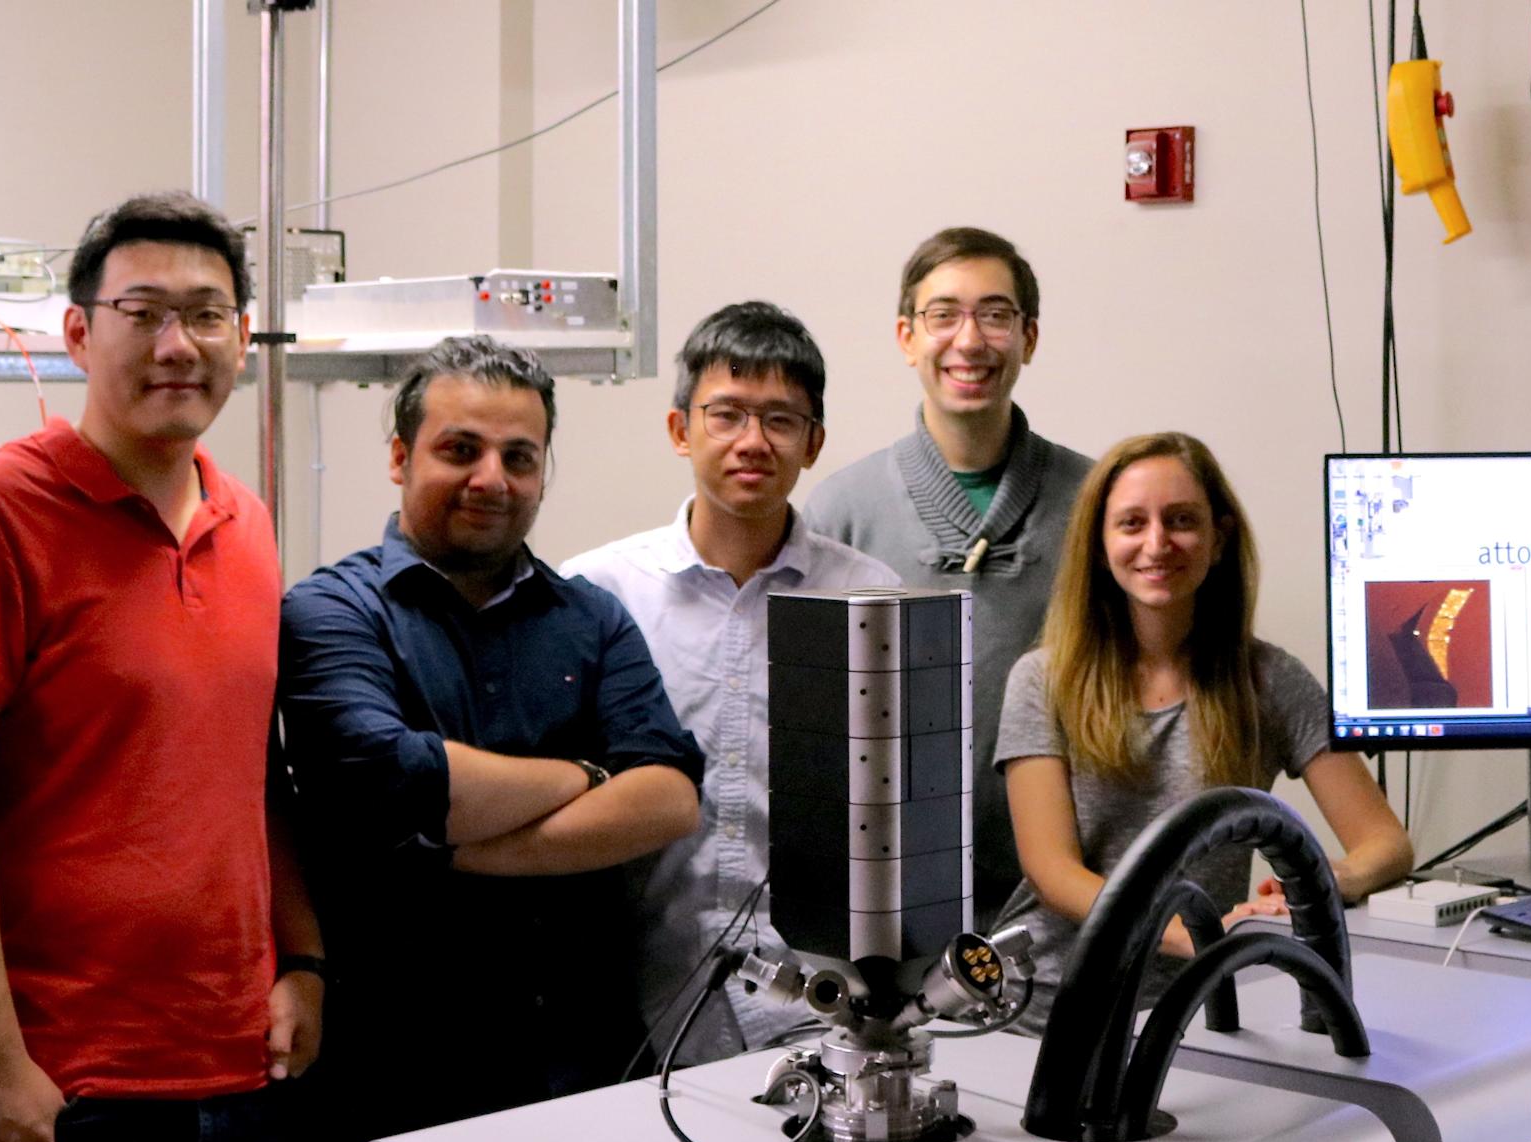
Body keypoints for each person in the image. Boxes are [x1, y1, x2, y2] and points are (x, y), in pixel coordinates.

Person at [0, 191, 323, 1142]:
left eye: (207, 314)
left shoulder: (249, 521)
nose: (178, 344)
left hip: (239, 1079)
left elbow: (249, 771)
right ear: (79, 334)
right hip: (63, 1091)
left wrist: (305, 961)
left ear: (243, 336)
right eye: (144, 312)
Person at [279, 334, 703, 1125]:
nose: (491, 480)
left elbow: (671, 798)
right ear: (401, 457)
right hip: (397, 1067)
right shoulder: (332, 611)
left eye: (519, 456)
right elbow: (396, 783)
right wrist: (591, 775)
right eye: (461, 450)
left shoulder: (592, 618)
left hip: (583, 1061)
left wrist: (459, 853)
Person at [562, 301, 897, 1065]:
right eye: (728, 414)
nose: (753, 441)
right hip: (623, 993)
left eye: (781, 420)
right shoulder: (597, 592)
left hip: (814, 1000)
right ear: (681, 429)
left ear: (813, 444)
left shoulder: (870, 601)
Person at [995, 432, 1413, 1029]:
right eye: (1132, 523)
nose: (1157, 543)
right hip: (1047, 1006)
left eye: (1182, 520)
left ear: (1219, 538)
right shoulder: (1041, 680)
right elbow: (1053, 871)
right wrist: (1190, 933)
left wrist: (1312, 886)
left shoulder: (1271, 680)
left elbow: (1387, 845)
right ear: (1098, 544)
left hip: (1192, 1007)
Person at [804, 226, 1092, 920]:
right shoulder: (841, 508)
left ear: (1029, 337)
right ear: (907, 337)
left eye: (995, 315)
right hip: (885, 895)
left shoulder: (1094, 504)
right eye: (944, 315)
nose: (969, 340)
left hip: (1065, 892)